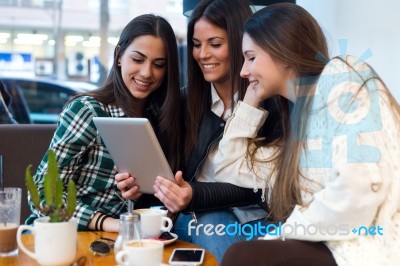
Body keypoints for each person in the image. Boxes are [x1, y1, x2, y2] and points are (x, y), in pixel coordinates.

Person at [213, 3, 400, 266]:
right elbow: (228, 166)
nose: (243, 71)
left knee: (242, 255)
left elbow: (357, 193)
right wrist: (251, 96)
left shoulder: (341, 78)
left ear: (283, 51)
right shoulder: (298, 128)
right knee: (242, 251)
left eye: (251, 57)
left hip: (374, 245)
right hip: (337, 244)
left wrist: (283, 234)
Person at [115, 0, 283, 262]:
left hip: (257, 213)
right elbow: (164, 174)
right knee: (216, 226)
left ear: (242, 43)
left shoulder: (271, 104)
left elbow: (262, 184)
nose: (203, 54)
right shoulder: (182, 104)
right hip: (196, 215)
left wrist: (195, 193)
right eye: (196, 44)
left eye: (215, 44)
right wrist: (138, 185)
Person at [26, 14, 183, 232]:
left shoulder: (163, 119)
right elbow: (43, 191)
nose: (147, 73)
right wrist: (110, 223)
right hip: (64, 233)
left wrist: (139, 196)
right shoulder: (89, 110)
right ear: (119, 55)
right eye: (137, 59)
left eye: (158, 64)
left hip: (124, 240)